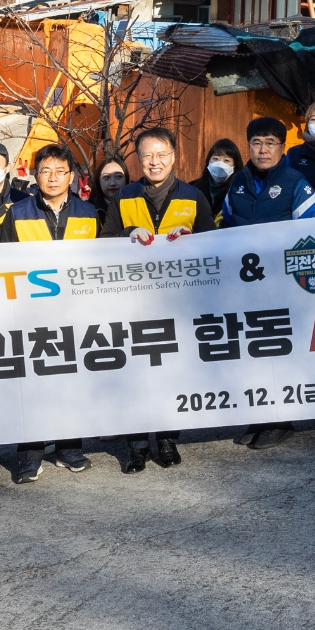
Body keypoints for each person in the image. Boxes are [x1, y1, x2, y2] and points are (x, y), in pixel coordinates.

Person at [100, 126, 215, 471]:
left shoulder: (194, 197)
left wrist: (192, 238)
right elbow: (102, 242)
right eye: (147, 155)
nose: (154, 162)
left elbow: (215, 244)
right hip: (132, 302)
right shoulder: (125, 196)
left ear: (174, 157)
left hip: (177, 302)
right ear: (138, 159)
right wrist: (125, 234)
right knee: (135, 372)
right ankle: (137, 444)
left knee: (170, 371)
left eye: (162, 154)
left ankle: (166, 438)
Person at [0, 144, 98, 481]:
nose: (53, 178)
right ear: (35, 175)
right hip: (30, 315)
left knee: (71, 381)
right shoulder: (17, 213)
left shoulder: (88, 213)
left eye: (60, 171)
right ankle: (29, 455)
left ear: (72, 176)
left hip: (74, 314)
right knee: (31, 384)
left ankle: (69, 448)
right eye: (46, 171)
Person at [219, 116, 315, 451]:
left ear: (282, 147)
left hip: (282, 285)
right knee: (254, 349)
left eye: (270, 143)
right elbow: (226, 225)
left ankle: (281, 420)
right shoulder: (237, 183)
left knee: (279, 350)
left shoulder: (296, 183)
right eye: (257, 143)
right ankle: (261, 413)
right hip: (246, 285)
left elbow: (311, 234)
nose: (263, 150)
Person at [190, 138, 242, 227]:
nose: (220, 164)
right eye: (216, 158)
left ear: (235, 165)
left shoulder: (239, 191)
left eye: (226, 160)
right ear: (209, 161)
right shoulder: (193, 188)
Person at [88, 153, 128, 221]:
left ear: (126, 179)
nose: (112, 183)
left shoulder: (137, 206)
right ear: (98, 180)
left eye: (118, 176)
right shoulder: (89, 210)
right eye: (106, 177)